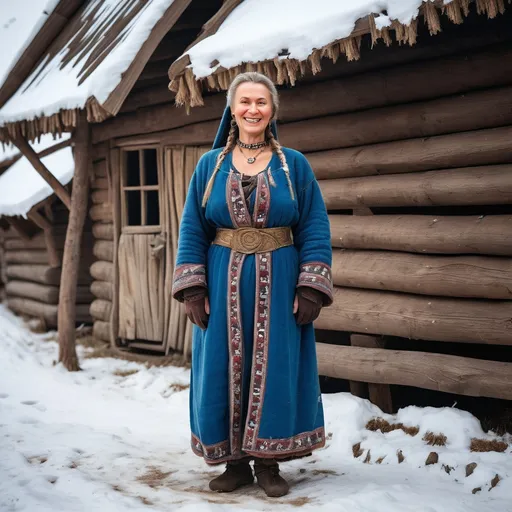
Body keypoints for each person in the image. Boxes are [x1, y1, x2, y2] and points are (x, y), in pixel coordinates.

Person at [172, 72, 333, 498]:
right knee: (221, 368)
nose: (253, 109)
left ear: (272, 109)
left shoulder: (293, 164)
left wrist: (311, 286)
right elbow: (192, 227)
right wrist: (193, 288)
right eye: (245, 101)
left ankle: (268, 462)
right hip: (222, 277)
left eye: (261, 102)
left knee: (276, 364)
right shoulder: (210, 166)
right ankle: (234, 462)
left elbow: (314, 224)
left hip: (279, 281)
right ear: (232, 109)